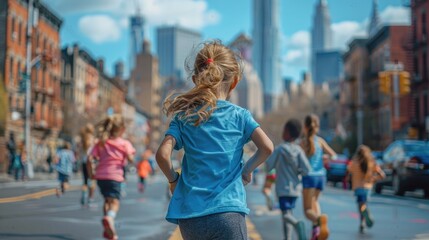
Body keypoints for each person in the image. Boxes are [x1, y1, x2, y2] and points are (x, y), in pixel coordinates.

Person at [156, 41, 273, 240]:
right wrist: (246, 171)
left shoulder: (183, 117)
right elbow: (267, 148)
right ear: (234, 82)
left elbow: (162, 155)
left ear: (195, 79)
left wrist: (173, 180)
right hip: (228, 214)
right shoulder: (240, 116)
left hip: (191, 218)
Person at [88, 114, 135, 240]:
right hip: (115, 176)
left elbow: (89, 158)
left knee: (106, 200)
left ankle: (108, 230)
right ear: (122, 129)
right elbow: (131, 159)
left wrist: (91, 173)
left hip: (101, 177)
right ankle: (110, 218)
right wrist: (128, 157)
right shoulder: (124, 143)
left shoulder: (101, 142)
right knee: (115, 202)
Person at [265, 119, 311, 240]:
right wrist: (298, 172)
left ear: (288, 133)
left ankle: (297, 224)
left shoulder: (280, 149)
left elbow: (268, 165)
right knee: (288, 213)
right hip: (295, 189)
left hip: (282, 188)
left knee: (285, 214)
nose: (282, 132)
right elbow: (307, 169)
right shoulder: (299, 150)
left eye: (284, 130)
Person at [301, 114, 337, 240]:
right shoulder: (320, 141)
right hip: (321, 177)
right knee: (315, 202)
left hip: (309, 178)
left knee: (307, 210)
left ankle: (319, 220)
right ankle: (316, 231)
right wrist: (326, 158)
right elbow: (334, 155)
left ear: (305, 127)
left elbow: (296, 161)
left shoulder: (303, 142)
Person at [346, 145, 385, 233]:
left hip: (357, 187)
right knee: (364, 204)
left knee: (360, 206)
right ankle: (365, 215)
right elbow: (382, 175)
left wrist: (349, 180)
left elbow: (348, 173)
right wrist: (373, 179)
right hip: (367, 187)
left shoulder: (354, 162)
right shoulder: (372, 162)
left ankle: (362, 222)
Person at [79, 124, 96, 206]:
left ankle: (83, 195)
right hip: (91, 162)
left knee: (85, 181)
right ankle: (90, 199)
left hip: (83, 161)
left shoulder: (82, 139)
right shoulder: (92, 139)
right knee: (92, 181)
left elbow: (79, 151)